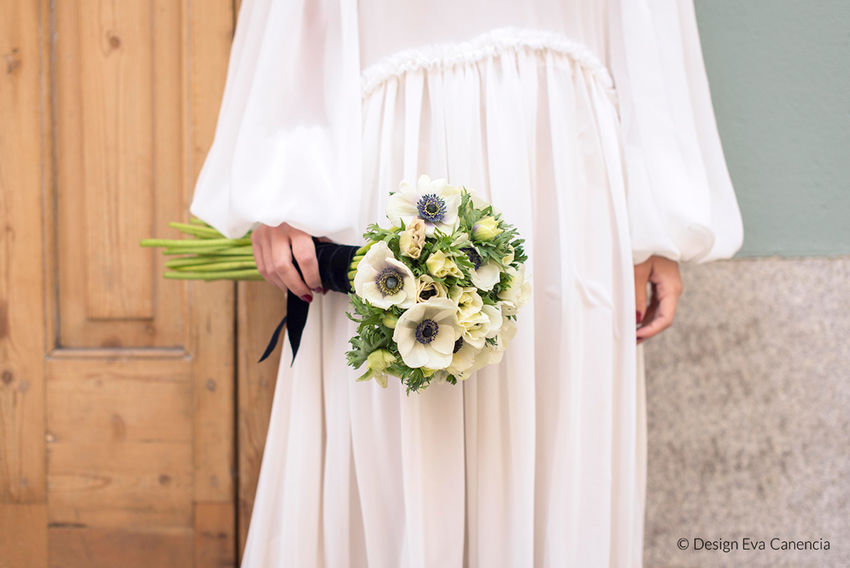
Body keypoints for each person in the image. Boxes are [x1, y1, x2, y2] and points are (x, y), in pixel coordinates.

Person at [189, 0, 744, 566]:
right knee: (398, 449)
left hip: (567, 177)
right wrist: (282, 180)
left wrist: (659, 221)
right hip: (395, 152)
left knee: (556, 441)